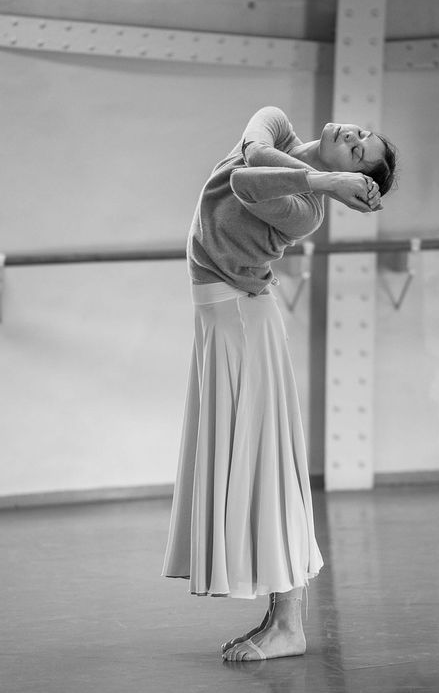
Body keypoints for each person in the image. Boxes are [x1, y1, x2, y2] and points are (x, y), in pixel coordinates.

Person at [161, 106, 397, 662]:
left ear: (348, 183)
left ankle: (290, 625)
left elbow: (246, 182)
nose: (353, 137)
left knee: (265, 469)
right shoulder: (277, 122)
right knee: (254, 466)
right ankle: (277, 617)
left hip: (242, 320)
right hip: (223, 317)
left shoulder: (304, 212)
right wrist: (328, 174)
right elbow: (254, 157)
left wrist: (324, 185)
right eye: (363, 134)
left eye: (360, 153)